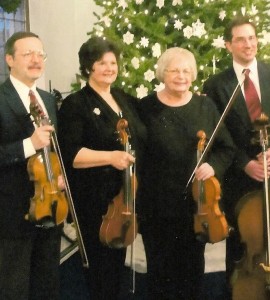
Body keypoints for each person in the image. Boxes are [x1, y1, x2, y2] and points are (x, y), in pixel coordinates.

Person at [202, 15, 270, 297]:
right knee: (241, 243)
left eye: (252, 38)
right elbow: (217, 134)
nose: (248, 44)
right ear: (228, 45)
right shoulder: (215, 84)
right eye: (241, 39)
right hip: (239, 177)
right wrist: (245, 164)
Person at [136, 47, 236, 299]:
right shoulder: (145, 108)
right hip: (156, 205)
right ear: (162, 73)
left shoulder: (205, 106)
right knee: (159, 271)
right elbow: (137, 154)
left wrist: (212, 165)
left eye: (186, 70)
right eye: (174, 70)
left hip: (196, 205)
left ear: (192, 74)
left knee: (192, 269)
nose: (181, 76)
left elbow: (226, 148)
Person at [57, 36, 147, 300]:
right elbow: (72, 155)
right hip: (95, 202)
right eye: (101, 63)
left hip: (123, 197)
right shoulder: (77, 104)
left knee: (116, 267)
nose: (109, 68)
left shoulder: (123, 98)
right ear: (88, 68)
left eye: (113, 62)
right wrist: (111, 157)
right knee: (100, 271)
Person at [0, 32, 62, 299]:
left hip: (49, 207)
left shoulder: (47, 100)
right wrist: (29, 144)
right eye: (28, 54)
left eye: (40, 54)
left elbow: (54, 149)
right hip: (12, 213)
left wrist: (58, 177)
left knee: (46, 285)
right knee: (14, 288)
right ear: (10, 59)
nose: (36, 60)